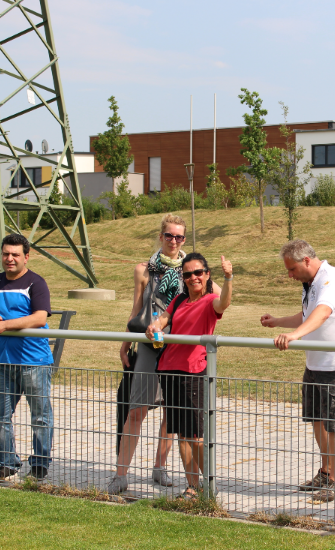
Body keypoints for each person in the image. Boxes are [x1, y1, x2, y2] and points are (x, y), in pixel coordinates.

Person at [110, 214, 220, 493]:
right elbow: (136, 309)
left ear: (184, 240)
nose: (173, 241)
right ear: (161, 237)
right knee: (137, 409)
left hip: (177, 349)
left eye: (179, 236)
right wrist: (125, 342)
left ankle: (160, 467)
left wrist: (202, 275)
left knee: (172, 415)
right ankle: (120, 474)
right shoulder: (144, 269)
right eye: (169, 235)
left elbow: (218, 295)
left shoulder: (190, 271)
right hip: (149, 345)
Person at [260, 240, 335, 503]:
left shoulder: (330, 279)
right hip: (314, 364)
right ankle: (325, 472)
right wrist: (277, 322)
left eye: (292, 269)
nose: (290, 275)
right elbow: (307, 315)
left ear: (306, 260)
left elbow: (322, 313)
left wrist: (294, 335)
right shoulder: (312, 283)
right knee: (316, 420)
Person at [133, 252, 234, 500]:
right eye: (188, 274)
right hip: (169, 369)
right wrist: (153, 327)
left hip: (193, 372)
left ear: (207, 275)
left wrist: (228, 278)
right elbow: (162, 319)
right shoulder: (179, 300)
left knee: (195, 436)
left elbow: (224, 303)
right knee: (182, 435)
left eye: (198, 273)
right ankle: (192, 486)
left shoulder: (210, 300)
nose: (193, 278)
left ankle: (210, 484)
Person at [0, 233, 54, 481]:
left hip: (34, 362)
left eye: (15, 254)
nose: (10, 259)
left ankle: (40, 465)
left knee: (40, 416)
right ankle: (7, 464)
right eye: (6, 254)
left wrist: (4, 325)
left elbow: (39, 318)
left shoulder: (36, 283)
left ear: (26, 257)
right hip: (2, 361)